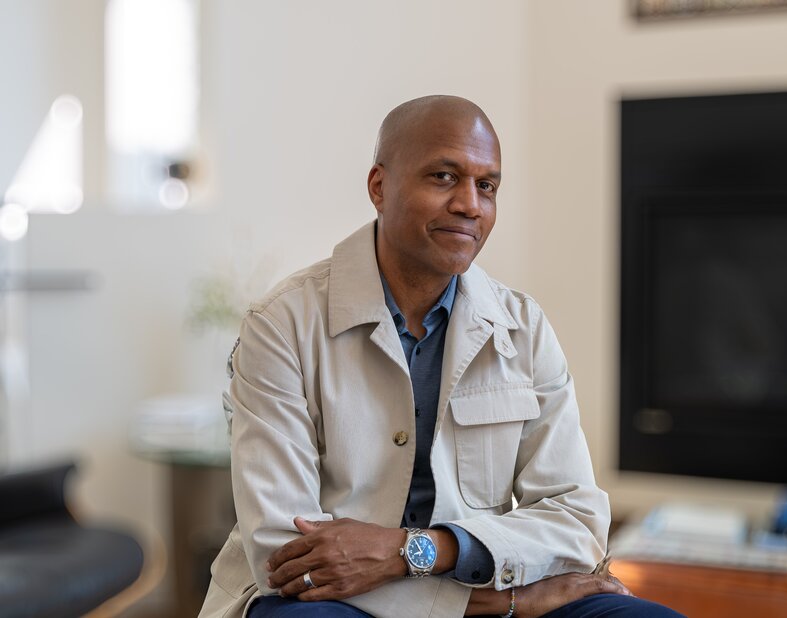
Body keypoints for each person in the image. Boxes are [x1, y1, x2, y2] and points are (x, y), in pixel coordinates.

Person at [199, 96, 682, 618]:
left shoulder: (524, 327)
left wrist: (418, 552)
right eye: (444, 177)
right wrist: (514, 601)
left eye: (487, 186)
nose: (470, 205)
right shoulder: (281, 324)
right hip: (329, 603)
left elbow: (577, 521)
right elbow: (286, 558)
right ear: (379, 187)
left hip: (480, 579)